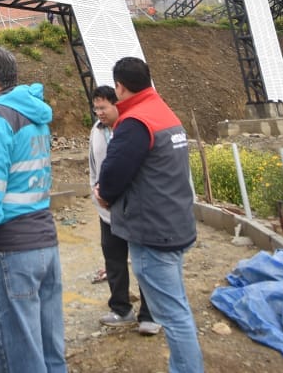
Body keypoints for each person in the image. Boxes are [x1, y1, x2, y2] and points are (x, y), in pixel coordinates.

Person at [96, 57, 204, 373]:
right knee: (176, 305)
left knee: (173, 314)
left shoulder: (135, 122)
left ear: (120, 86)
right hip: (176, 222)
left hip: (153, 231)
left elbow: (113, 174)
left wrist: (104, 195)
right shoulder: (163, 112)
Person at [0, 45, 65, 373]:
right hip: (44, 244)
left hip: (9, 253)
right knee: (49, 353)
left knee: (18, 359)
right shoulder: (34, 116)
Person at [89, 85, 159, 335]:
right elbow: (94, 167)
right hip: (106, 212)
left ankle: (150, 315)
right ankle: (121, 309)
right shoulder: (95, 132)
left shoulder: (131, 130)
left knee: (143, 261)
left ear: (116, 105)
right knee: (114, 260)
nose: (99, 112)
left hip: (133, 210)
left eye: (103, 107)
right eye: (95, 107)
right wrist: (98, 197)